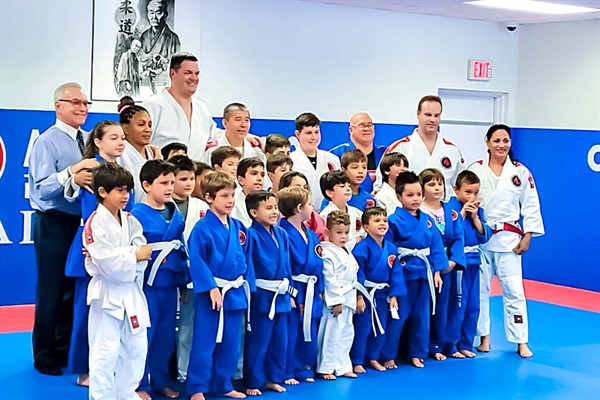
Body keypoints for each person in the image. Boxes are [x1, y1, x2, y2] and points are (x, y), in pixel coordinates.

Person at [28, 82, 100, 376]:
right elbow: (42, 188)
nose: (82, 107)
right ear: (58, 106)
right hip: (54, 221)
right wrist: (71, 174)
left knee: (73, 289)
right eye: (75, 102)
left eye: (85, 103)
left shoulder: (88, 139)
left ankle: (63, 350)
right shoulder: (47, 141)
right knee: (52, 289)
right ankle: (44, 355)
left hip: (80, 221)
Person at [469, 124, 544, 358]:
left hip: (510, 240)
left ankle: (521, 341)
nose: (501, 145)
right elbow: (464, 197)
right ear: (487, 142)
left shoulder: (520, 172)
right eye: (497, 140)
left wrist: (528, 235)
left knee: (514, 290)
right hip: (481, 239)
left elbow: (531, 204)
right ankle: (484, 337)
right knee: (479, 291)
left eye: (506, 140)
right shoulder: (476, 169)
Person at [64, 121, 130, 387]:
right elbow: (92, 212)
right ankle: (85, 370)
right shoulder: (91, 170)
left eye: (122, 137)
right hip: (93, 247)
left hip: (119, 245)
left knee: (115, 315)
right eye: (114, 137)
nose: (121, 142)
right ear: (98, 142)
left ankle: (111, 365)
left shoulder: (121, 171)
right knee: (87, 312)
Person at [83, 163, 152, 400]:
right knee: (105, 349)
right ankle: (102, 397)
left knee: (136, 347)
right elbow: (108, 264)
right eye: (120, 190)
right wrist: (133, 254)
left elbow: (144, 252)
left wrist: (127, 254)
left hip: (131, 291)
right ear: (103, 192)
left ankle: (126, 393)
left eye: (128, 191)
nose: (126, 196)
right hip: (107, 294)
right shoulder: (95, 222)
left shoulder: (131, 220)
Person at [186, 172, 254, 400]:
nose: (230, 200)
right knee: (205, 342)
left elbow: (246, 261)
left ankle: (223, 384)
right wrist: (211, 287)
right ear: (209, 197)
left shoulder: (239, 227)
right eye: (224, 196)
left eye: (232, 195)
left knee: (231, 343)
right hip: (212, 294)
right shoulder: (202, 228)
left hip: (234, 292)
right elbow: (196, 260)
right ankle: (197, 387)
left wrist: (249, 290)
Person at [131, 160, 189, 399]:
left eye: (172, 183)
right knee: (146, 334)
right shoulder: (135, 215)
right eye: (163, 183)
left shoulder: (174, 212)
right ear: (146, 185)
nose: (169, 188)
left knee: (165, 336)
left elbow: (181, 247)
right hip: (148, 285)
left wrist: (184, 281)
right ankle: (139, 384)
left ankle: (161, 380)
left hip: (170, 282)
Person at [380, 172, 446, 369]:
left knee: (422, 317)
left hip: (424, 273)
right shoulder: (393, 220)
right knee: (398, 316)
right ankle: (389, 355)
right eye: (410, 195)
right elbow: (388, 250)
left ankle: (418, 353)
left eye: (418, 194)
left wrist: (437, 271)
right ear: (399, 196)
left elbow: (436, 246)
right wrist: (392, 276)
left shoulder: (427, 220)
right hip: (403, 273)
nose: (415, 199)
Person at [243, 191, 293, 396]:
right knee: (258, 342)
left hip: (281, 294)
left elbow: (287, 266)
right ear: (254, 213)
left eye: (275, 207)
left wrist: (290, 292)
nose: (274, 212)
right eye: (269, 208)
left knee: (280, 341)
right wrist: (250, 295)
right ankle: (253, 381)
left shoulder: (282, 234)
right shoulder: (250, 235)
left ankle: (274, 378)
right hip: (261, 296)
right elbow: (248, 268)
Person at [350, 207, 406, 373]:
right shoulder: (361, 248)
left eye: (384, 220)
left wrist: (394, 296)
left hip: (382, 294)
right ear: (366, 227)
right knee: (363, 328)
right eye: (377, 220)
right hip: (366, 293)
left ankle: (373, 357)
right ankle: (357, 360)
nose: (382, 223)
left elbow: (396, 273)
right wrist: (359, 296)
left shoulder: (391, 248)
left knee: (381, 326)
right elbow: (357, 273)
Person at [277, 186, 324, 384]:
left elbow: (319, 262)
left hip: (310, 287)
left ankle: (305, 368)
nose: (312, 208)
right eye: (309, 204)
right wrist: (289, 293)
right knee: (291, 330)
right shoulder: (282, 233)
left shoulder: (311, 234)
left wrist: (320, 288)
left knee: (309, 329)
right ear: (298, 208)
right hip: (295, 286)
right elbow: (284, 265)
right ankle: (287, 371)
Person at [376, 95, 465, 199]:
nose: (432, 119)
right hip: (408, 206)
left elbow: (462, 186)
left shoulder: (452, 150)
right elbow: (380, 184)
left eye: (436, 115)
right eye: (428, 115)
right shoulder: (400, 147)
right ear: (418, 114)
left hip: (443, 206)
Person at [418, 168, 466, 360]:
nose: (437, 188)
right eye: (431, 184)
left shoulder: (451, 212)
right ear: (422, 188)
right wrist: (438, 264)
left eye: (440, 183)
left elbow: (459, 238)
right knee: (431, 307)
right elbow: (423, 241)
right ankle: (432, 345)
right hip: (428, 265)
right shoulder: (419, 212)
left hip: (450, 266)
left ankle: (450, 344)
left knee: (452, 306)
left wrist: (453, 261)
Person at [445, 171, 492, 358]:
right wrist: (463, 214)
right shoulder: (449, 208)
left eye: (476, 192)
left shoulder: (478, 211)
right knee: (458, 305)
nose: (472, 197)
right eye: (468, 192)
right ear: (456, 190)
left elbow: (484, 236)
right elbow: (448, 233)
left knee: (473, 305)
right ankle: (451, 345)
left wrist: (475, 218)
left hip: (474, 261)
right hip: (459, 263)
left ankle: (466, 343)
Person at [168, 155, 206, 382]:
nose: (189, 183)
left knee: (188, 325)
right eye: (183, 179)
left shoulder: (202, 207)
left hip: (194, 274)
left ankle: (184, 372)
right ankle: (162, 372)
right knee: (164, 326)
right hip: (168, 272)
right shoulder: (161, 205)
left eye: (192, 178)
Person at [143, 52, 221, 161]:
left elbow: (214, 137)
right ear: (172, 73)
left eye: (197, 73)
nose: (194, 78)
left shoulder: (201, 108)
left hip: (195, 170)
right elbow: (138, 145)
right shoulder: (153, 106)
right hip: (161, 170)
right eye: (188, 73)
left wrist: (240, 134)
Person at [316, 211, 362, 380]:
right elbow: (329, 279)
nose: (343, 237)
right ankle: (325, 367)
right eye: (339, 232)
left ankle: (342, 367)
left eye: (346, 232)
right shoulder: (327, 253)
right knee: (331, 334)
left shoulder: (346, 251)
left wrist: (356, 297)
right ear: (327, 232)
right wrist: (336, 301)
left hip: (349, 298)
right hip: (335, 301)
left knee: (347, 334)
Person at [290, 113, 340, 211]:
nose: (314, 137)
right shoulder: (290, 161)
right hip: (300, 212)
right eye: (309, 133)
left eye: (316, 132)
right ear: (298, 134)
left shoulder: (332, 159)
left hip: (329, 213)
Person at [116, 96, 162, 204]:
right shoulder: (120, 153)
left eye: (150, 125)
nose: (147, 129)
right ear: (125, 128)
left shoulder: (153, 153)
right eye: (141, 124)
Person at [330, 113, 386, 194]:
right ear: (351, 130)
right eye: (362, 125)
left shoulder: (385, 153)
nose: (366, 129)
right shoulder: (335, 155)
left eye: (369, 125)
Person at [319, 171, 364, 250]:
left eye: (349, 185)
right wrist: (354, 242)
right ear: (329, 193)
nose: (348, 189)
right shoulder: (325, 215)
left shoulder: (357, 213)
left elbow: (364, 232)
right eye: (342, 186)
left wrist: (360, 238)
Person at [278, 171, 325, 240]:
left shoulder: (314, 216)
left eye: (305, 187)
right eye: (297, 187)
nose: (303, 190)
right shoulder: (280, 222)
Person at [139, 0, 180, 75]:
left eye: (158, 13)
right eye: (151, 13)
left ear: (165, 14)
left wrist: (163, 60)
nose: (154, 17)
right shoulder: (144, 36)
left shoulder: (173, 38)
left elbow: (177, 64)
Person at [232, 158, 265, 228]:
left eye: (262, 175)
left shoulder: (267, 200)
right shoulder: (233, 202)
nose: (259, 178)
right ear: (241, 180)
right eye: (254, 174)